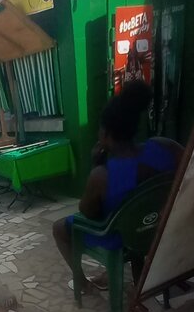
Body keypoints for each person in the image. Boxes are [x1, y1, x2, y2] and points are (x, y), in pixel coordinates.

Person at [52, 82, 183, 291]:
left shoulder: (102, 175)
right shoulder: (165, 146)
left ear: (106, 134)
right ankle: (125, 273)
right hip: (160, 225)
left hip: (124, 237)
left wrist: (95, 165)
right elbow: (190, 168)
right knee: (132, 214)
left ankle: (83, 284)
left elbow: (88, 213)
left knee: (59, 228)